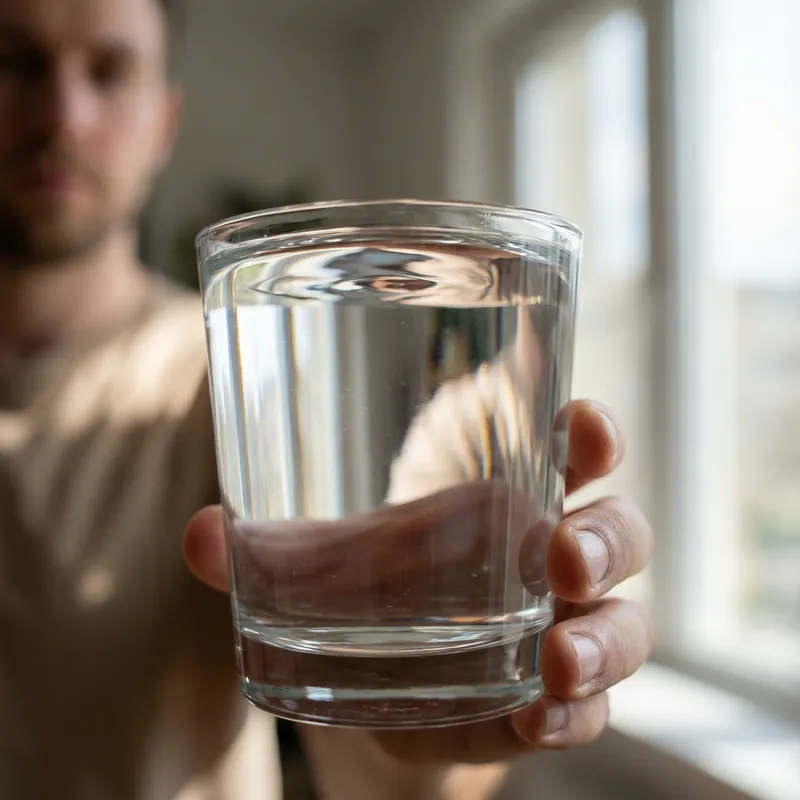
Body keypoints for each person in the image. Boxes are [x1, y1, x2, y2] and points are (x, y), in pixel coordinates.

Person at [0, 0, 654, 798]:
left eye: (109, 71)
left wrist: (428, 724)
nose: (61, 114)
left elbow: (355, 745)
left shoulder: (226, 374)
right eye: (17, 62)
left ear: (164, 122)